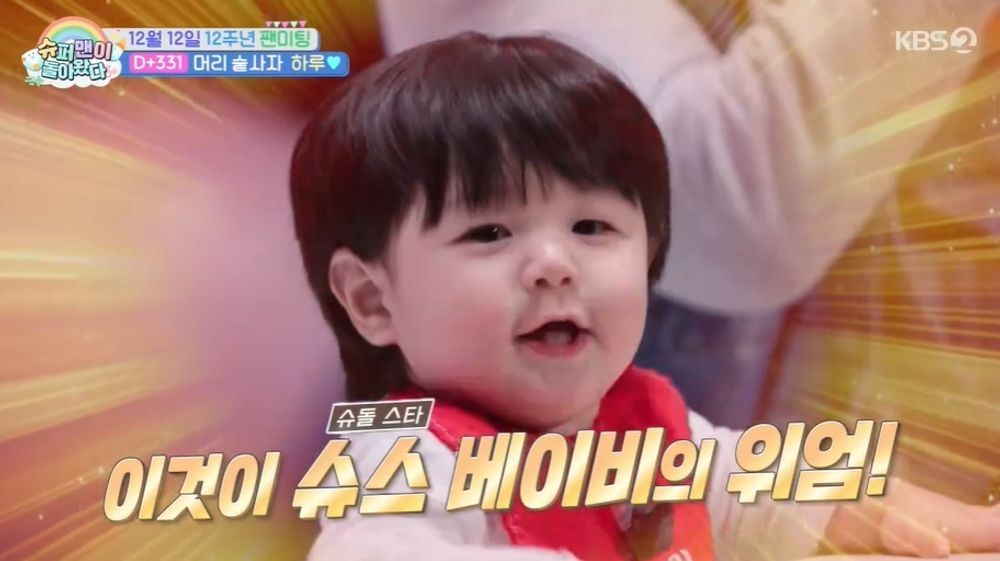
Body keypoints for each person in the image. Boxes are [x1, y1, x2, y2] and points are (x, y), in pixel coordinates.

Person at [290, 33, 999, 561]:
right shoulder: (400, 453)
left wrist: (876, 511)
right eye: (490, 232)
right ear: (372, 301)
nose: (554, 265)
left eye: (591, 227)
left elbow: (748, 483)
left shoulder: (645, 422)